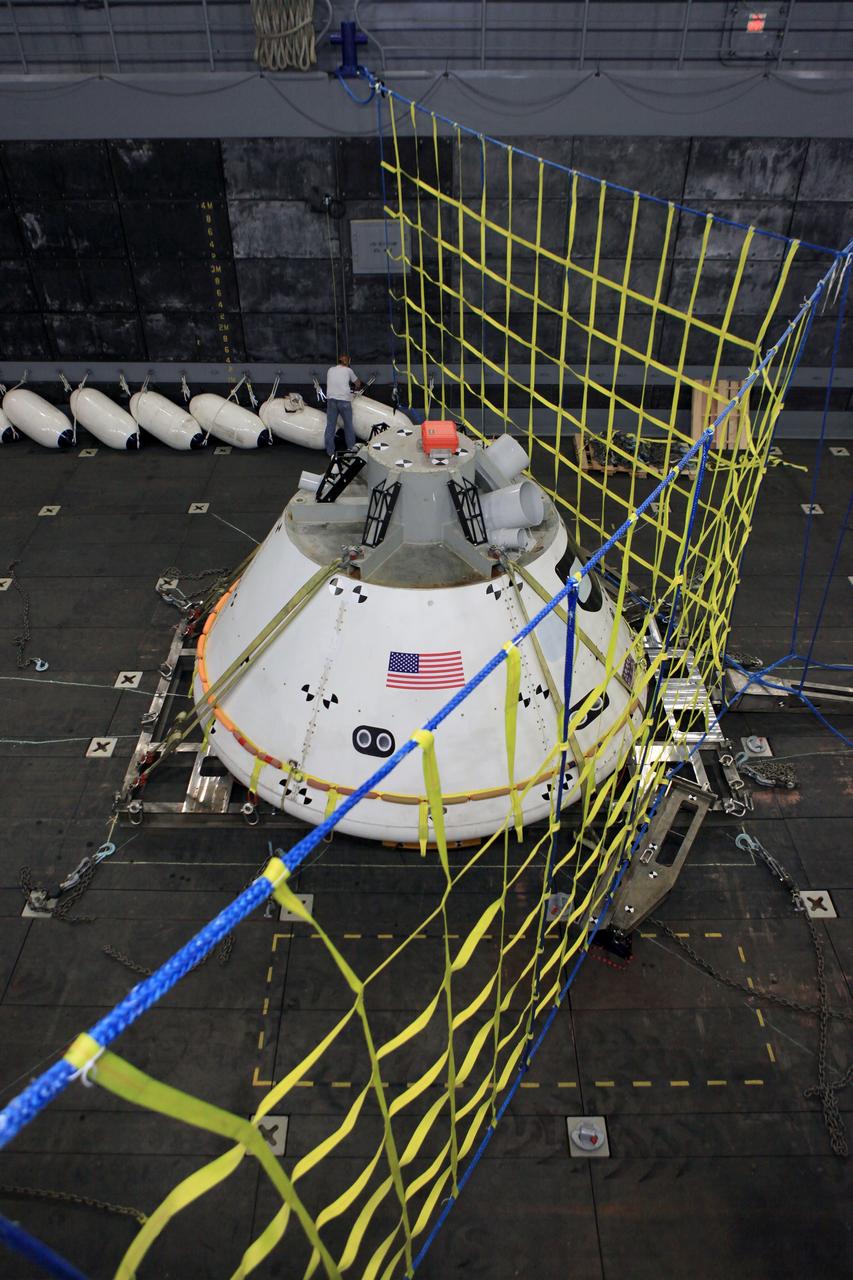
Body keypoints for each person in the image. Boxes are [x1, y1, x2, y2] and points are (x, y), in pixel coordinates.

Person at [324, 354, 362, 456]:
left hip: (331, 401)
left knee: (330, 426)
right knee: (348, 426)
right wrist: (356, 388)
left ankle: (330, 451)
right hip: (344, 401)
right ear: (348, 362)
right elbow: (358, 383)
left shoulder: (330, 370)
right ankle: (351, 449)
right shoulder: (349, 370)